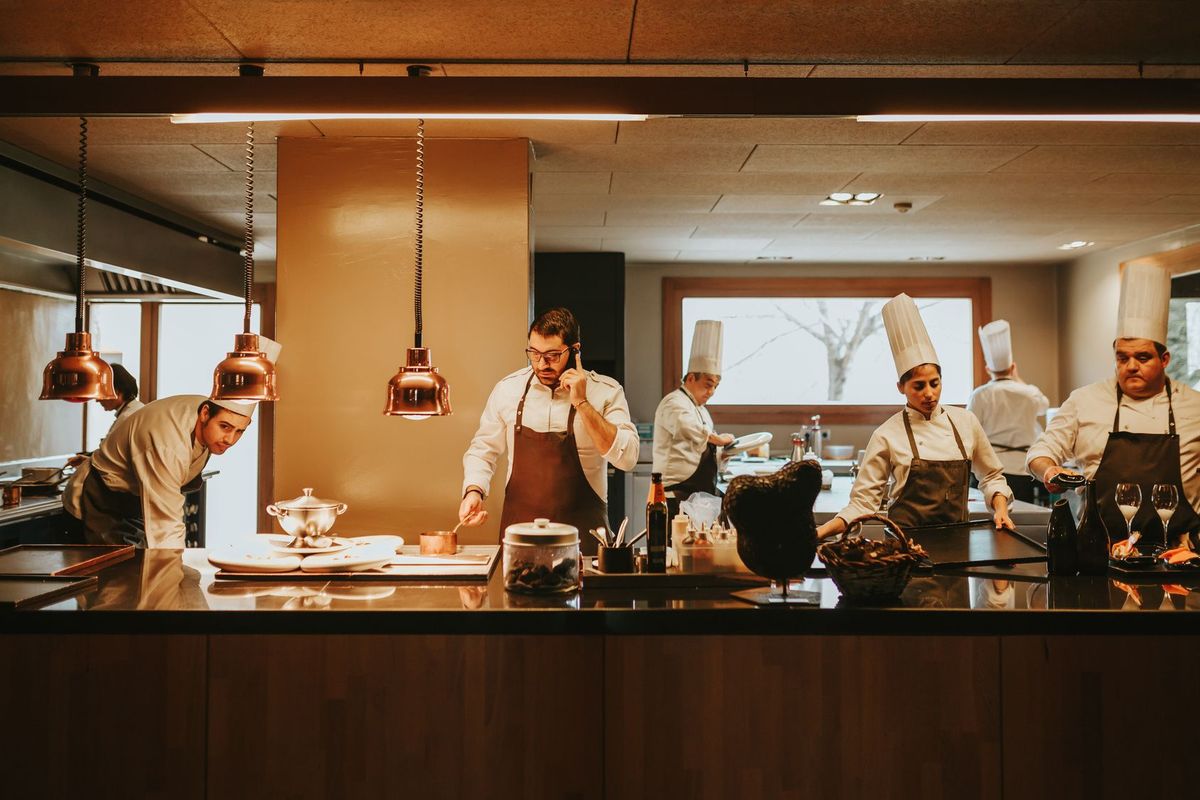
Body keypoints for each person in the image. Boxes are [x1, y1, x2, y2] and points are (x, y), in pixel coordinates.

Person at [1027, 262, 1200, 550]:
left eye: (1143, 358)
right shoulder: (1085, 400)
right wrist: (1048, 470)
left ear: (1165, 359)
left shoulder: (1195, 406)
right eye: (1122, 358)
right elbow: (1041, 451)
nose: (1131, 366)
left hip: (1180, 554)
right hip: (1101, 548)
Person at [816, 293, 1014, 539]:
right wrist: (820, 532)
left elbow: (992, 476)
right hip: (904, 550)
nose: (929, 394)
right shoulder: (886, 434)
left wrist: (1001, 508)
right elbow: (863, 504)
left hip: (958, 545)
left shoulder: (965, 422)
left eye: (935, 383)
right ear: (901, 387)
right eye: (919, 386)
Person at [457, 307, 639, 554]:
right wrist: (474, 490)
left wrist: (583, 404)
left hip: (583, 544)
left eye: (553, 355)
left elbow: (627, 458)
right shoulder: (508, 390)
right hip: (520, 543)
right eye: (534, 353)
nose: (542, 364)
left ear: (574, 350)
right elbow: (483, 449)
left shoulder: (606, 391)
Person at [81, 396, 257, 548]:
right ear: (205, 413)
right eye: (225, 427)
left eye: (240, 431)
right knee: (119, 577)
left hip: (138, 500)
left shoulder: (208, 421)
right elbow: (165, 528)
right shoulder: (168, 444)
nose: (230, 439)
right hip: (106, 501)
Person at [652, 320, 735, 518]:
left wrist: (723, 455)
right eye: (708, 385)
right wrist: (717, 438)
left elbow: (703, 452)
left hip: (699, 498)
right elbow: (684, 426)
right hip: (674, 496)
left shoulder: (702, 411)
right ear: (690, 379)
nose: (712, 392)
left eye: (715, 386)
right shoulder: (673, 402)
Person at [966, 320, 1050, 504]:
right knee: (1021, 521)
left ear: (988, 369)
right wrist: (1018, 378)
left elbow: (968, 432)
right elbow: (1044, 406)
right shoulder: (1030, 392)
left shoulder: (979, 395)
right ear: (1013, 367)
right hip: (1022, 471)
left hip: (989, 471)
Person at [63, 363, 145, 520]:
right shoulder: (133, 411)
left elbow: (113, 463)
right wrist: (89, 459)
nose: (96, 400)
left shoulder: (128, 417)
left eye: (100, 394)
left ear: (117, 392)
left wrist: (92, 460)